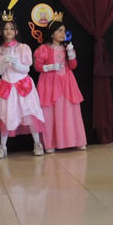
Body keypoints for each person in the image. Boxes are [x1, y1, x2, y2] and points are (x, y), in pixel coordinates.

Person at [0, 13, 46, 158]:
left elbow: (26, 69)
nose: (9, 31)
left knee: (29, 113)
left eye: (11, 28)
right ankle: (2, 146)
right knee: (6, 115)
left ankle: (37, 143)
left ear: (16, 31)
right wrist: (4, 63)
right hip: (6, 85)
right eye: (5, 28)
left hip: (23, 85)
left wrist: (16, 64)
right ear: (1, 31)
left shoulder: (23, 48)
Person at [33, 14, 87, 154]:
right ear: (52, 34)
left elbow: (73, 66)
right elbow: (37, 66)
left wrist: (71, 54)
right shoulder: (44, 49)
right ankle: (51, 143)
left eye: (64, 31)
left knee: (69, 111)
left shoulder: (67, 48)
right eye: (60, 31)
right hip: (50, 84)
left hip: (67, 83)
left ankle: (75, 140)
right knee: (51, 112)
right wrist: (51, 67)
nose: (63, 34)